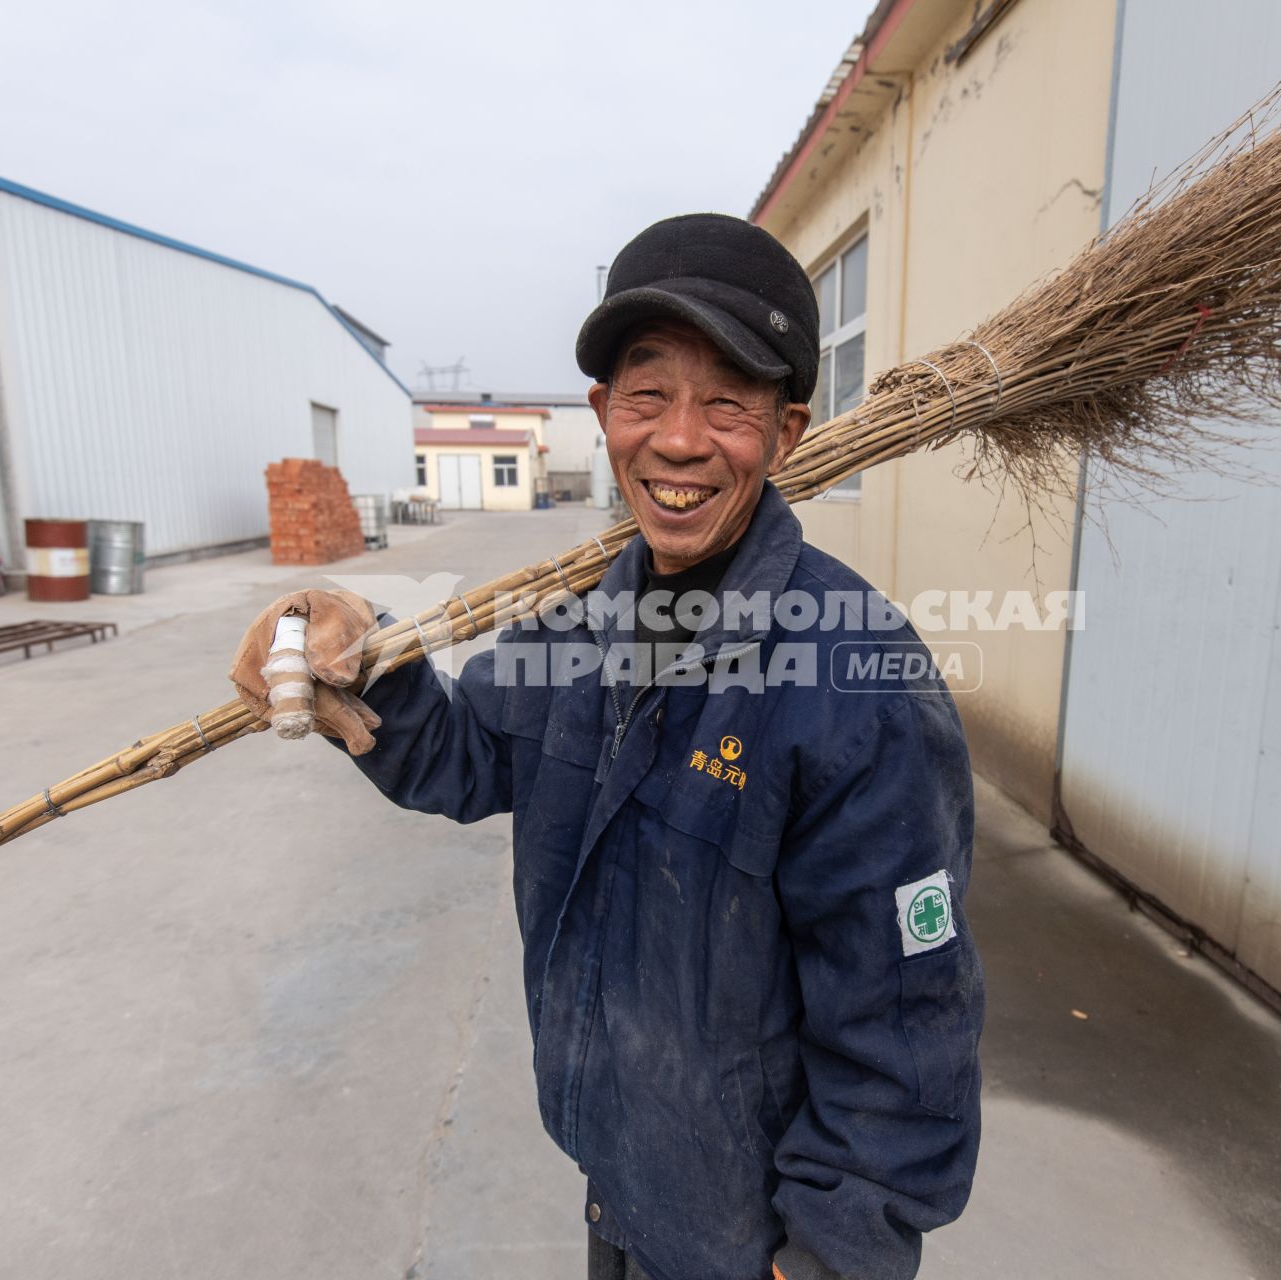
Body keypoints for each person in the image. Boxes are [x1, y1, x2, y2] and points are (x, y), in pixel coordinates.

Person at [231, 214, 983, 1280]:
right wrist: (356, 655)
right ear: (603, 414)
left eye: (728, 398)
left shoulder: (861, 682)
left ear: (789, 431)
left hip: (755, 1233)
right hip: (620, 1176)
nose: (680, 438)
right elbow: (467, 754)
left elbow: (908, 1022)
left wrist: (831, 1252)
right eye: (648, 393)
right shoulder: (572, 620)